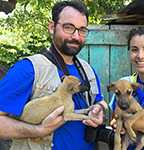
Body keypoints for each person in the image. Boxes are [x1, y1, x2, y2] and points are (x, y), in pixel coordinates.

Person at [0, 1, 107, 150]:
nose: (76, 36)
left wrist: (99, 109)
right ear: (52, 27)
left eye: (82, 30)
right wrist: (39, 130)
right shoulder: (28, 69)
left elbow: (100, 101)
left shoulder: (88, 70)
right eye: (69, 27)